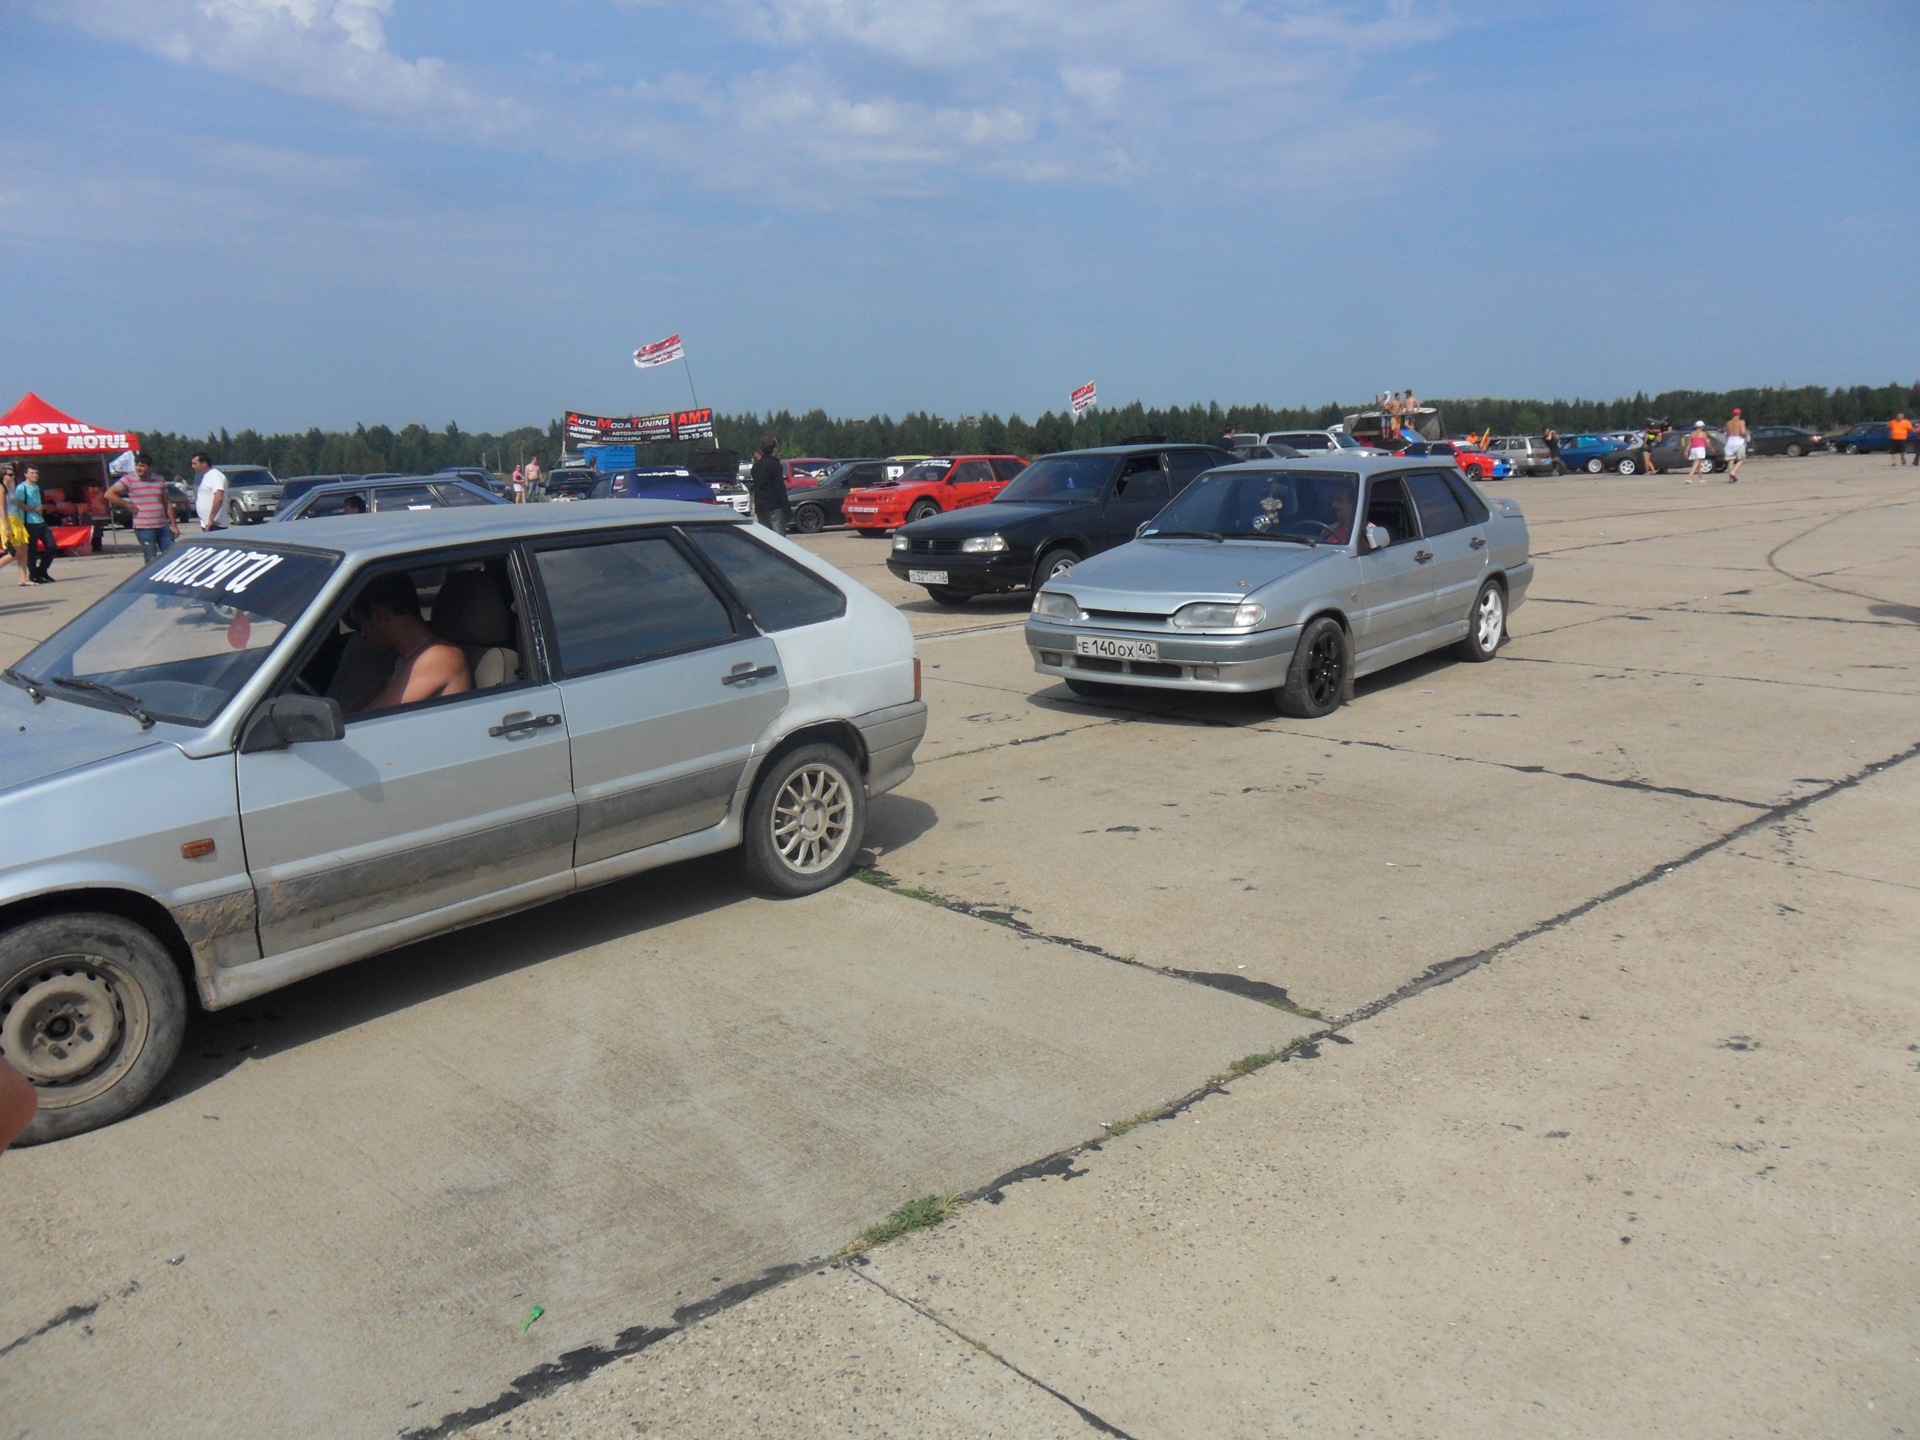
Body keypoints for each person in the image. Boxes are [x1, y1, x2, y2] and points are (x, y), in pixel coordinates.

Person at [344, 571, 471, 713]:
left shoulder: (439, 657)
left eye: (362, 624)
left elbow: (370, 719)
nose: (363, 634)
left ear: (379, 613)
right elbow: (359, 709)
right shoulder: (407, 659)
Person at [106, 452, 179, 563]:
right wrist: (127, 505)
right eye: (137, 465)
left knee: (172, 555)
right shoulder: (129, 479)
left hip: (162, 526)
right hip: (144, 527)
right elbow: (109, 494)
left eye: (142, 466)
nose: (139, 468)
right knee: (151, 559)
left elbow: (167, 503)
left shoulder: (159, 479)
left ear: (150, 467)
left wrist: (174, 525)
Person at [17, 464, 54, 582]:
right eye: (32, 473)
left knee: (52, 545)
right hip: (29, 521)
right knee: (32, 550)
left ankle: (42, 570)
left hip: (40, 521)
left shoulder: (36, 487)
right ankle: (33, 574)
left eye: (36, 473)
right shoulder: (21, 487)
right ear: (26, 474)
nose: (35, 475)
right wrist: (34, 509)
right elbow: (19, 503)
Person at [749, 435, 788, 534]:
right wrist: (786, 508)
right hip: (774, 506)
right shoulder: (775, 465)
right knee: (779, 540)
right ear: (774, 449)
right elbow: (779, 488)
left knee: (767, 538)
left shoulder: (756, 466)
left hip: (760, 507)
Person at [1, 465, 29, 585]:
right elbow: (1, 508)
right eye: (10, 475)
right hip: (8, 520)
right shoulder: (1, 488)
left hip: (17, 519)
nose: (12, 477)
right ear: (3, 476)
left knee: (24, 549)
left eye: (13, 475)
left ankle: (23, 578)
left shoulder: (12, 487)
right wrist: (6, 527)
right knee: (15, 552)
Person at [190, 453, 228, 532]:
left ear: (204, 463)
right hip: (207, 524)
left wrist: (211, 519)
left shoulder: (215, 475)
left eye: (195, 464)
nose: (192, 466)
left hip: (215, 525)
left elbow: (219, 498)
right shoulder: (204, 477)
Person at [1724, 408, 1749, 483]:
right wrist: (1745, 436)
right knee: (1741, 459)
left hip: (1730, 441)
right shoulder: (1741, 422)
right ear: (1739, 414)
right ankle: (1733, 472)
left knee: (1731, 460)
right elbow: (1742, 432)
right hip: (1738, 440)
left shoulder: (1728, 423)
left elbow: (1727, 434)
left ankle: (1730, 478)